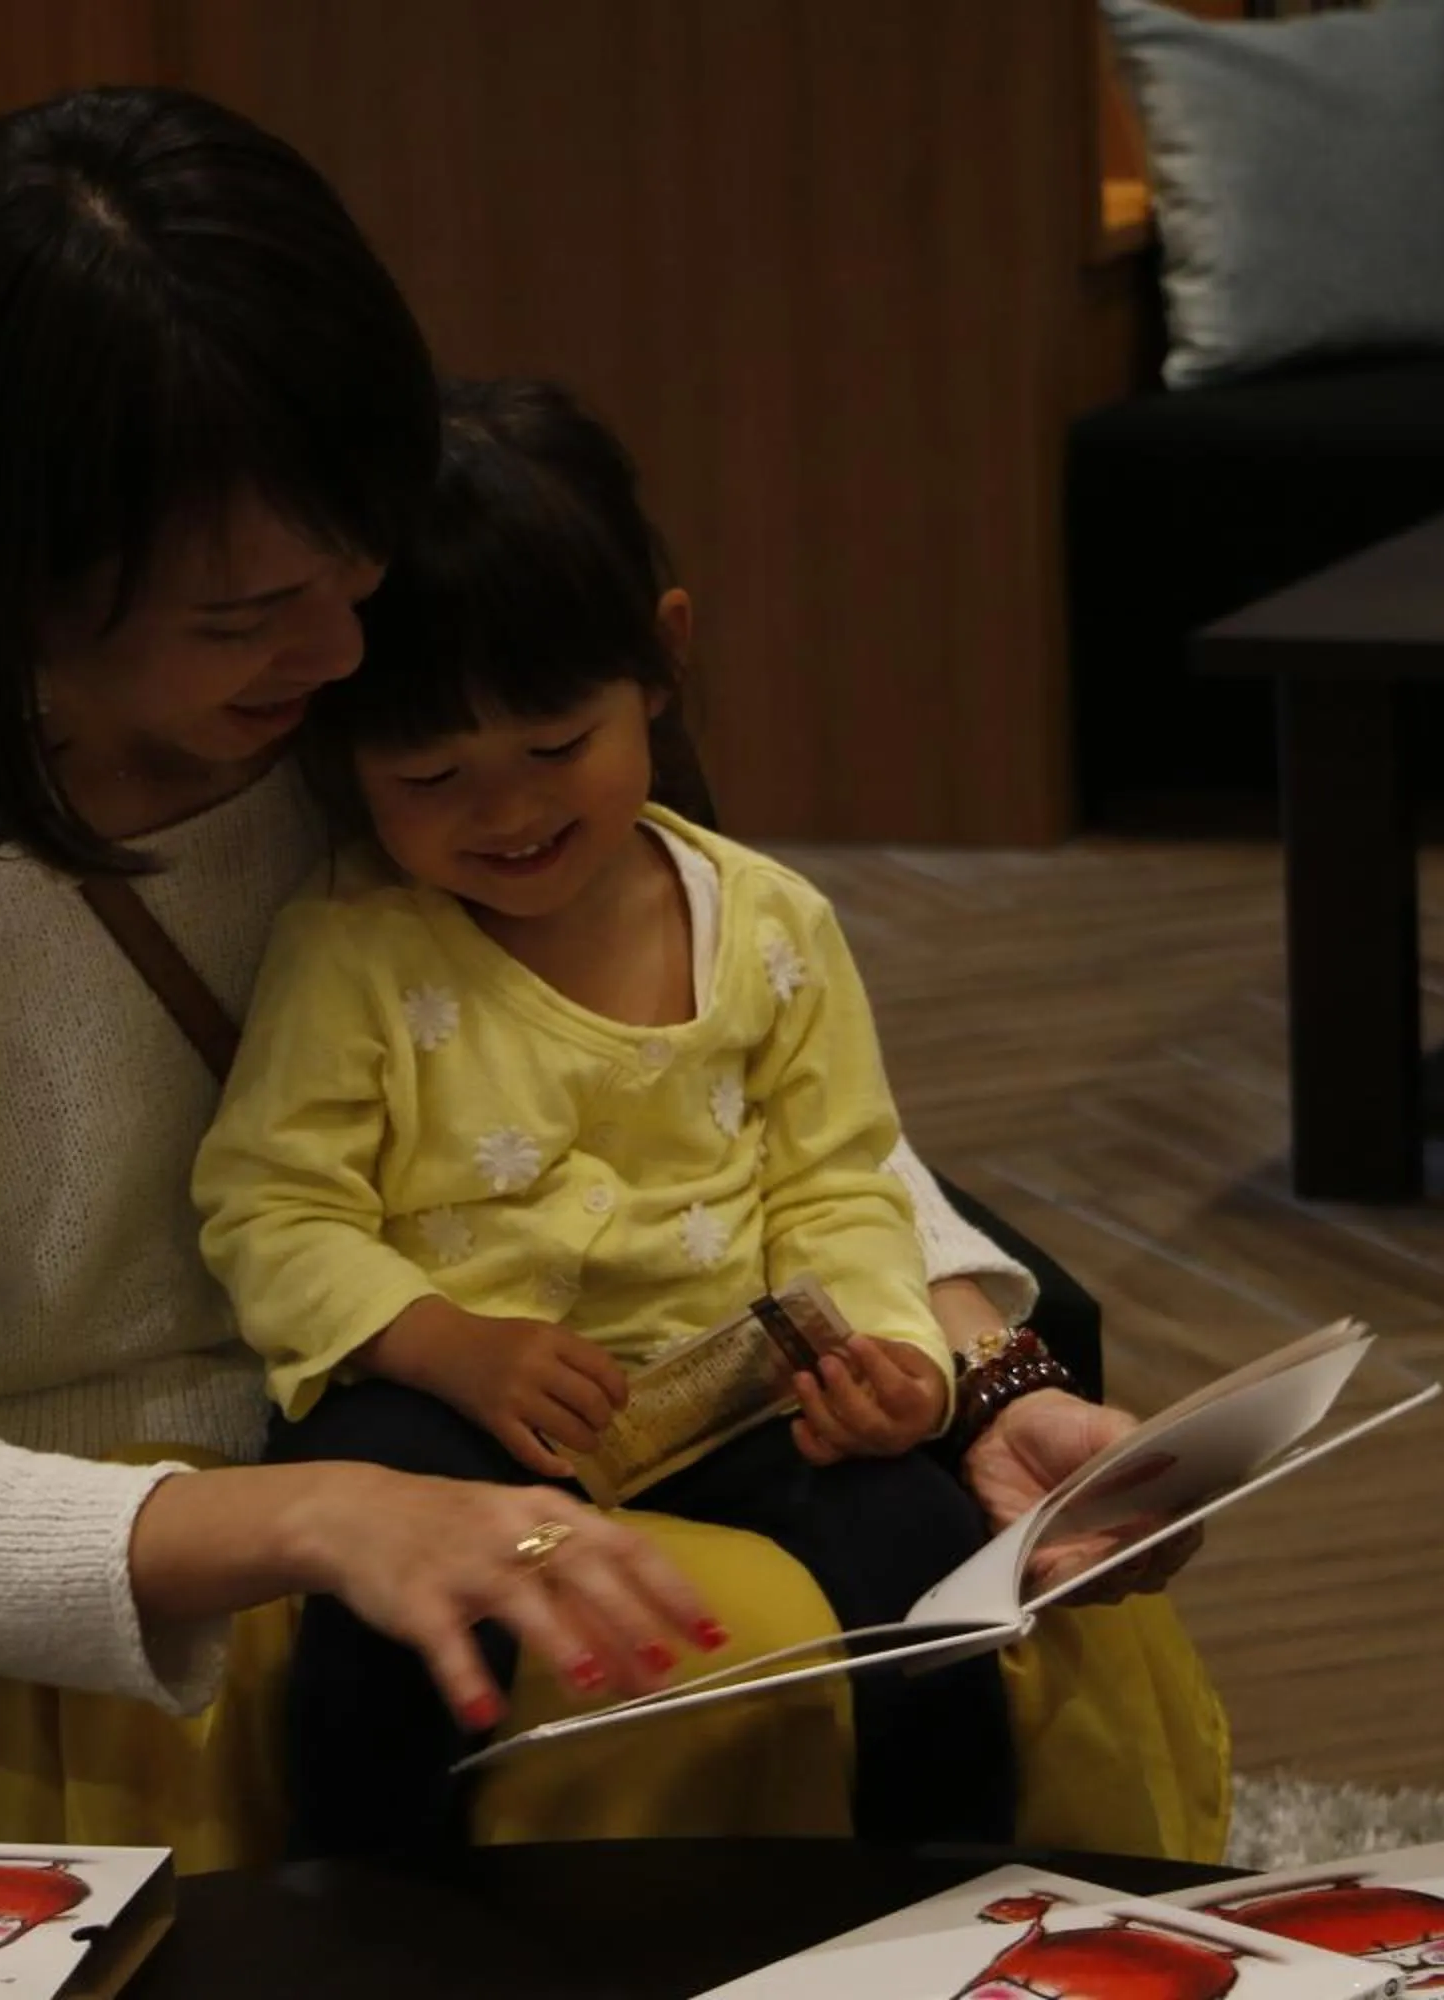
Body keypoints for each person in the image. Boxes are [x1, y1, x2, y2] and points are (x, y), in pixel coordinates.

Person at [0, 82, 1225, 1863]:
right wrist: (335, 1515)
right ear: (14, 569)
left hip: (515, 1438)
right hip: (46, 1571)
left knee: (1008, 1643)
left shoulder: (379, 695)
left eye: (354, 569)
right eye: (246, 617)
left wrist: (975, 1377)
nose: (337, 656)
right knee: (737, 1670)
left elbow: (710, 1075)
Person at [197, 377, 1021, 1851]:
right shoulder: (358, 949)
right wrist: (444, 1343)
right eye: (433, 774)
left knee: (926, 1548)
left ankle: (936, 1903)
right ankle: (372, 1907)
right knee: (394, 1589)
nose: (505, 812)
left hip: (728, 1383)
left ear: (661, 664)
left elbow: (839, 1185)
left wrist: (894, 1353)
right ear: (344, 760)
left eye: (555, 745)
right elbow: (271, 1207)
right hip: (456, 1395)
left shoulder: (770, 925)